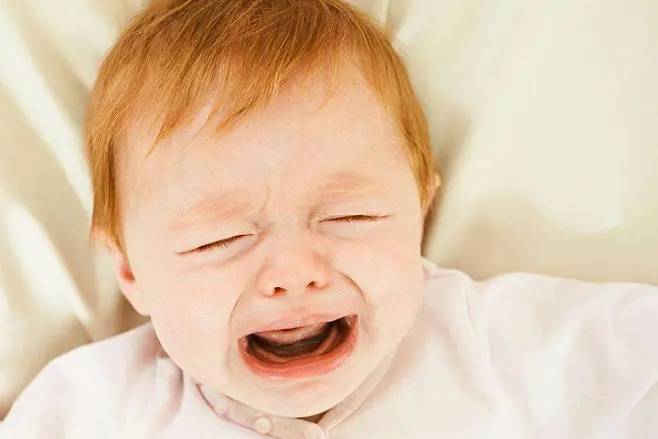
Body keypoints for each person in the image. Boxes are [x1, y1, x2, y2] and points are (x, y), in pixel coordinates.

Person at [2, 0, 657, 438]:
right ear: (129, 271)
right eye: (219, 240)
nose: (294, 272)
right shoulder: (91, 409)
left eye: (351, 215)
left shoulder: (496, 345)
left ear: (420, 208)